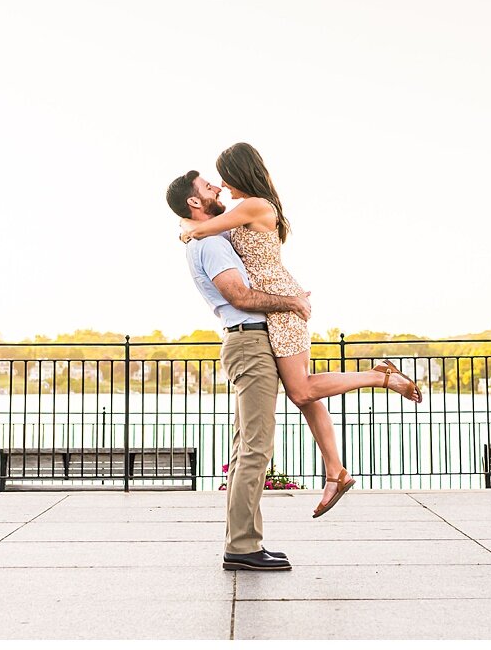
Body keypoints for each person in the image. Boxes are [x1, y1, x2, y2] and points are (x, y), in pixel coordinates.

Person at [180, 144, 422, 519]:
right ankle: (335, 471)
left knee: (301, 389)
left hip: (282, 309)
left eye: (224, 176)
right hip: (278, 304)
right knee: (306, 395)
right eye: (215, 182)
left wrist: (186, 226)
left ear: (239, 172)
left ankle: (379, 376)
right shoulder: (246, 211)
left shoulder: (255, 205)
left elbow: (202, 230)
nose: (223, 186)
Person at [167, 169, 310, 572]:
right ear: (195, 203)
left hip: (246, 342)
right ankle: (243, 547)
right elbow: (241, 296)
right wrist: (292, 303)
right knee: (255, 448)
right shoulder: (211, 244)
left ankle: (243, 541)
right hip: (249, 342)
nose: (217, 188)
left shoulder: (210, 236)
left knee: (246, 445)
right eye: (207, 188)